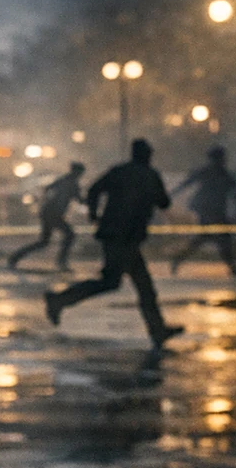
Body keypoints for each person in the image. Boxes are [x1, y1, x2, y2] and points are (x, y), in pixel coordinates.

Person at [44, 139, 183, 352]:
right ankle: (59, 300)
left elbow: (94, 190)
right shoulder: (149, 175)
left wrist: (94, 214)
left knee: (118, 281)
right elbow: (164, 202)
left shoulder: (120, 172)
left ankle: (60, 300)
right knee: (131, 284)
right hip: (127, 237)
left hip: (114, 234)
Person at [170, 146, 236, 277]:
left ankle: (178, 258)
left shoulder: (222, 172)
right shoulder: (209, 171)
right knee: (221, 239)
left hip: (215, 210)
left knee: (206, 238)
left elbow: (233, 188)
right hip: (208, 210)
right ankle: (233, 267)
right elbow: (187, 183)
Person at [8, 161, 85, 271]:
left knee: (44, 241)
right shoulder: (72, 184)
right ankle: (61, 262)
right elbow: (80, 200)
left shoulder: (64, 180)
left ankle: (15, 257)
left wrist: (47, 201)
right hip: (53, 214)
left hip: (49, 213)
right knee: (69, 235)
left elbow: (48, 189)